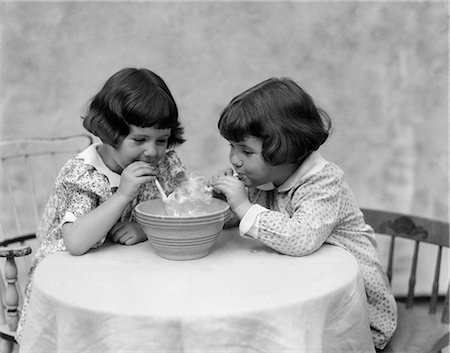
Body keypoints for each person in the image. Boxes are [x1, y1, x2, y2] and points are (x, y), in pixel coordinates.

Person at [210, 77, 397, 350]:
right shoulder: (268, 178)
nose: (234, 159)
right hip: (299, 289)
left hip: (353, 311)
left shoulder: (322, 182)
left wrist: (243, 205)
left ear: (283, 149)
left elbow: (300, 238)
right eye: (232, 147)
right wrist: (223, 201)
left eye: (246, 151)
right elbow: (239, 218)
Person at [16, 67, 187, 341]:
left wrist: (145, 228)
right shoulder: (86, 175)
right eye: (140, 139)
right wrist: (122, 196)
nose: (152, 151)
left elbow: (182, 205)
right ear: (110, 133)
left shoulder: (163, 163)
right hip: (74, 275)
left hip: (125, 272)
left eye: (162, 140)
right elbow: (75, 242)